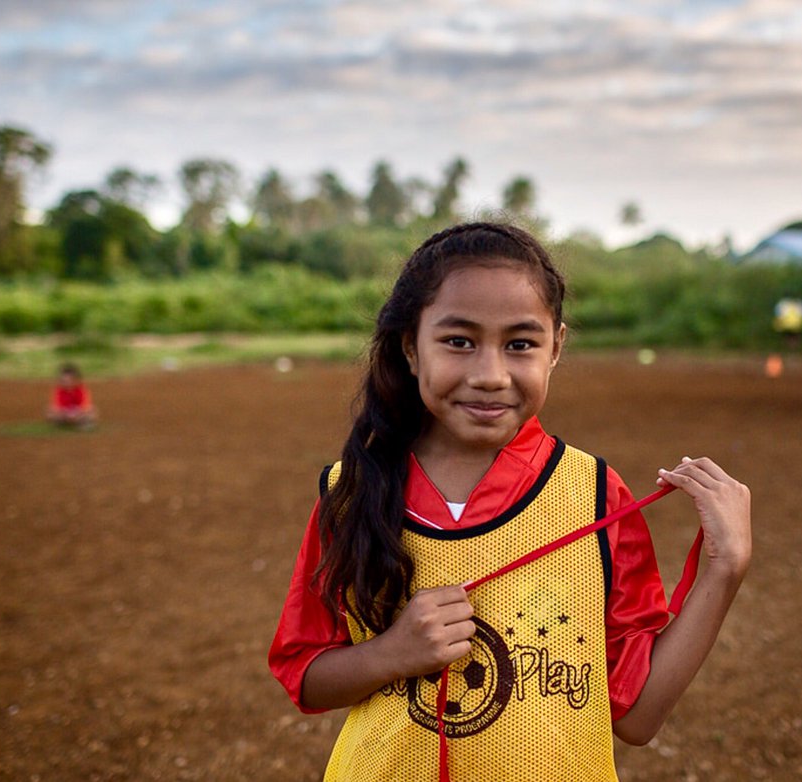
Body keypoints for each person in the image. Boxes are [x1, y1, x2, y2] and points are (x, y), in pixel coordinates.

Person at [268, 223, 751, 781]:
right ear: (411, 347)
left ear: (556, 348)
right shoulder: (352, 491)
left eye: (520, 344)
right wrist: (390, 654)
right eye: (459, 341)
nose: (491, 375)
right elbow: (303, 672)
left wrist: (725, 570)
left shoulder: (593, 495)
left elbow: (638, 717)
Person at [46, 362, 97, 429]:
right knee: (50, 411)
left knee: (92, 410)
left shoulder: (81, 390)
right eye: (62, 381)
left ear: (75, 380)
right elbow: (57, 406)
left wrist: (78, 414)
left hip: (79, 412)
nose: (65, 383)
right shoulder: (59, 391)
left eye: (68, 381)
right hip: (64, 413)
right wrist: (64, 414)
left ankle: (81, 422)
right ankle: (68, 423)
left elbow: (85, 405)